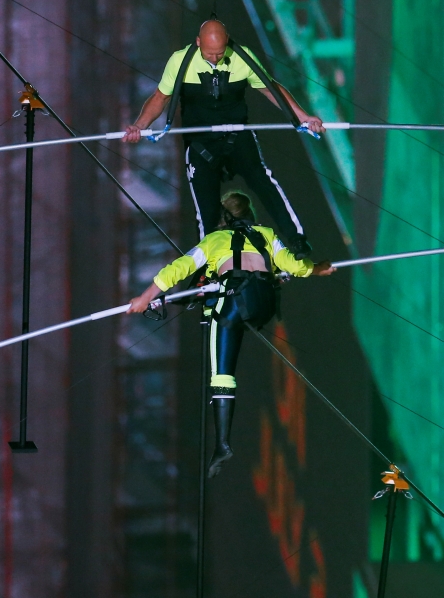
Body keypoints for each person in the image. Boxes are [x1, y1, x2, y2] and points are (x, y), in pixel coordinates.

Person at [128, 191, 336, 477]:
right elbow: (295, 267)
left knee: (222, 373)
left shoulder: (214, 240)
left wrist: (144, 297)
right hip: (262, 304)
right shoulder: (266, 234)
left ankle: (223, 443)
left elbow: (178, 269)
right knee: (220, 304)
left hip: (234, 302)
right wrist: (317, 270)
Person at [123, 19, 323, 258]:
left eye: (220, 53)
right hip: (201, 142)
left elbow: (271, 89)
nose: (216, 58)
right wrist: (139, 126)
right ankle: (207, 266)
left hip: (237, 135)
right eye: (210, 53)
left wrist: (303, 117)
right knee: (206, 211)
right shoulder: (180, 61)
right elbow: (159, 98)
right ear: (198, 43)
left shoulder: (242, 57)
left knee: (264, 182)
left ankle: (297, 241)